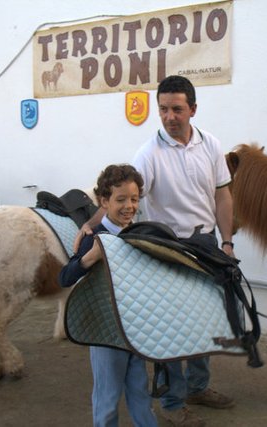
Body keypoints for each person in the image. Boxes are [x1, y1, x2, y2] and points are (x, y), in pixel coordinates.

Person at [75, 75, 236, 427]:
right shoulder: (148, 153)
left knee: (204, 321)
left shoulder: (211, 146)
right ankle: (173, 402)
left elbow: (222, 195)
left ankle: (198, 387)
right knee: (172, 330)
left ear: (193, 109)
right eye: (163, 109)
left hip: (205, 245)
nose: (169, 116)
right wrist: (92, 223)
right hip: (167, 249)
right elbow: (123, 192)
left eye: (177, 109)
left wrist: (226, 241)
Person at [59, 164, 158, 427]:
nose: (129, 206)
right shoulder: (94, 238)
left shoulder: (140, 235)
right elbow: (65, 277)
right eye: (121, 199)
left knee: (140, 393)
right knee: (107, 397)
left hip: (136, 331)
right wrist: (89, 259)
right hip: (105, 336)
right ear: (104, 201)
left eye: (134, 199)